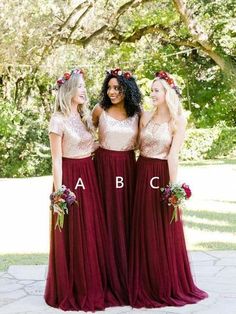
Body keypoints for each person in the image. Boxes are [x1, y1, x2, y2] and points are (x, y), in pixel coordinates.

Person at [129, 71, 208, 308]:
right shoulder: (145, 116)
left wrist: (173, 188)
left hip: (161, 173)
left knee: (162, 228)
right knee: (142, 227)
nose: (152, 94)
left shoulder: (178, 121)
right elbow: (134, 147)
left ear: (167, 93)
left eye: (157, 90)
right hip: (141, 171)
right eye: (151, 90)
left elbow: (173, 156)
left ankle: (165, 283)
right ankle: (143, 281)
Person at [44, 69, 107, 311]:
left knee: (90, 229)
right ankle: (74, 286)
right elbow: (56, 160)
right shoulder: (57, 120)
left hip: (88, 175)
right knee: (74, 232)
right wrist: (59, 194)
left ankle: (92, 283)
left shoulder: (82, 117)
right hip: (70, 177)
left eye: (84, 86)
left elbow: (92, 146)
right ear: (68, 90)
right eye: (79, 86)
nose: (83, 90)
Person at [92, 68, 142, 306]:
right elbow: (84, 134)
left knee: (126, 219)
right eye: (109, 87)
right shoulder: (99, 110)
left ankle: (127, 275)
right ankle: (103, 276)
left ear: (127, 89)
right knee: (104, 219)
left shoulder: (138, 113)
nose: (112, 92)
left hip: (127, 168)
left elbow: (150, 137)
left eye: (117, 88)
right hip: (102, 167)